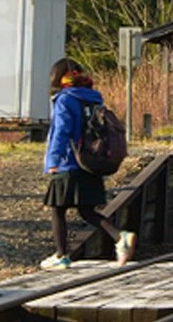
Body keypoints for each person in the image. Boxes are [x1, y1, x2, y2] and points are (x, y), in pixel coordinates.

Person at [40, 57, 135, 270]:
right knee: (87, 210)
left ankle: (61, 255)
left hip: (69, 163)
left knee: (57, 208)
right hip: (91, 162)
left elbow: (61, 132)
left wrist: (53, 160)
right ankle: (120, 236)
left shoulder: (65, 100)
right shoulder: (93, 99)